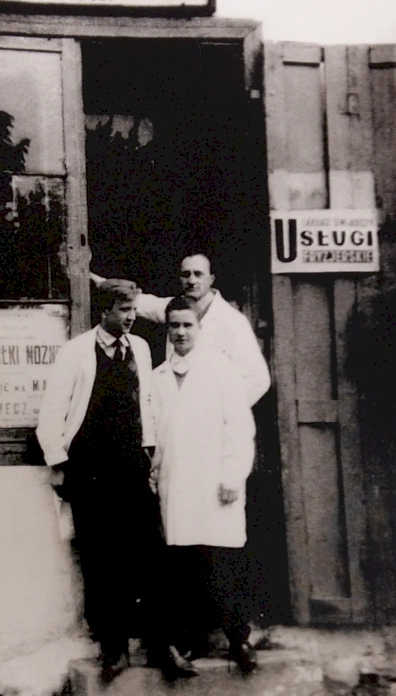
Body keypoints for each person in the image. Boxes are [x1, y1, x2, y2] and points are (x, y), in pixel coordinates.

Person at [36, 279, 162, 683]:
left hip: (132, 466)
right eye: (124, 310)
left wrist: (152, 452)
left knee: (145, 553)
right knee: (101, 558)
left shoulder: (140, 348)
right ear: (104, 310)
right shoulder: (75, 352)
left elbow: (147, 404)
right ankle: (114, 647)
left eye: (133, 309)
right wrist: (58, 462)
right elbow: (52, 412)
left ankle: (159, 644)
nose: (131, 317)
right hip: (91, 469)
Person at [151, 296, 258, 677]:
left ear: (199, 328)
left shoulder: (221, 370)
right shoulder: (159, 377)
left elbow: (239, 427)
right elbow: (157, 434)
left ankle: (238, 640)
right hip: (177, 484)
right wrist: (155, 473)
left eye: (187, 325)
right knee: (183, 565)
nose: (180, 332)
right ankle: (191, 640)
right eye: (174, 326)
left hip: (215, 483)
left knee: (222, 562)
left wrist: (232, 476)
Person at [91, 252, 270, 408]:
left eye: (198, 274)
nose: (191, 281)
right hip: (174, 409)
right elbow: (142, 302)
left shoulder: (232, 321)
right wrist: (99, 282)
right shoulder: (174, 307)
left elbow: (258, 379)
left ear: (211, 279)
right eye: (186, 275)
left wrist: (220, 410)